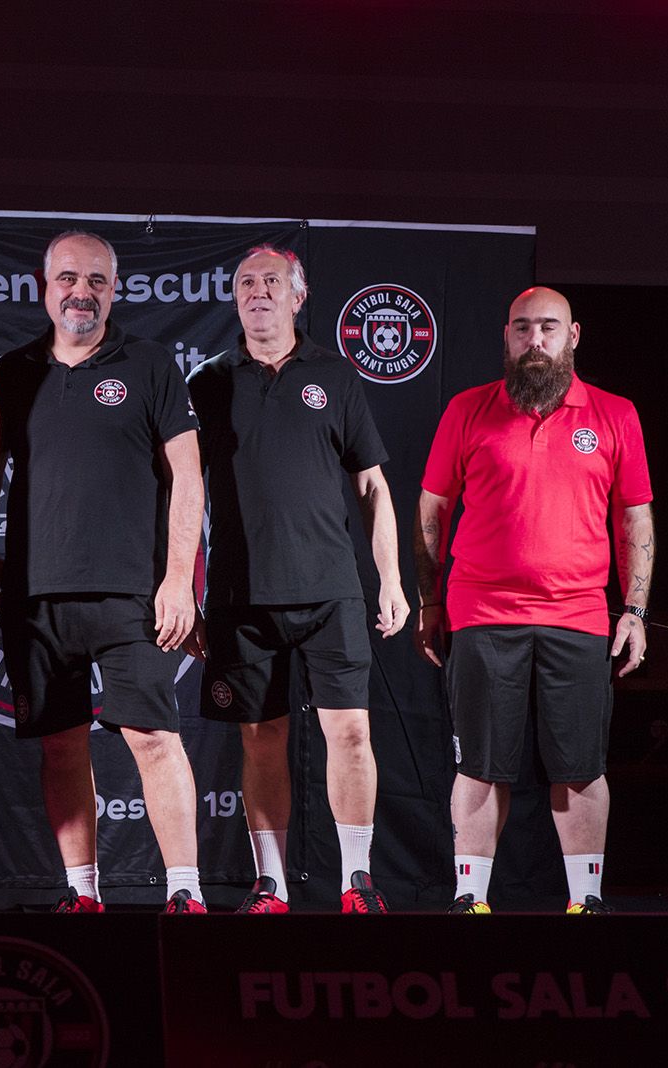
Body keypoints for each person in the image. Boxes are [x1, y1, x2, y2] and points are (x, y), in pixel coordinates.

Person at [0, 230, 207, 914]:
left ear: (115, 289)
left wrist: (178, 579)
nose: (83, 292)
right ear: (44, 289)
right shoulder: (14, 371)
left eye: (97, 280)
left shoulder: (150, 363)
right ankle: (83, 896)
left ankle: (186, 893)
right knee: (62, 747)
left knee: (154, 739)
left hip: (134, 594)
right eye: (69, 279)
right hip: (37, 596)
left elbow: (188, 476)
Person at [414, 286, 654, 915]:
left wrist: (634, 611)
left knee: (580, 767)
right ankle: (470, 899)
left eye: (548, 327)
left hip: (579, 615)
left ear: (572, 337)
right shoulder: (468, 410)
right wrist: (429, 602)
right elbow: (432, 510)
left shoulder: (615, 414)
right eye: (522, 328)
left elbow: (634, 517)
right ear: (507, 337)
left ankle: (586, 901)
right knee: (480, 766)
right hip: (482, 614)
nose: (535, 339)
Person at [187, 246, 408, 915]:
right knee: (261, 739)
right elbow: (181, 497)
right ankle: (272, 886)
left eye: (271, 281)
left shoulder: (334, 376)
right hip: (240, 596)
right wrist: (183, 590)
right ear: (235, 298)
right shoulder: (207, 383)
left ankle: (357, 880)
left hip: (330, 592)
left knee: (351, 735)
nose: (258, 291)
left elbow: (371, 486)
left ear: (298, 295)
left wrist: (391, 579)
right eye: (245, 283)